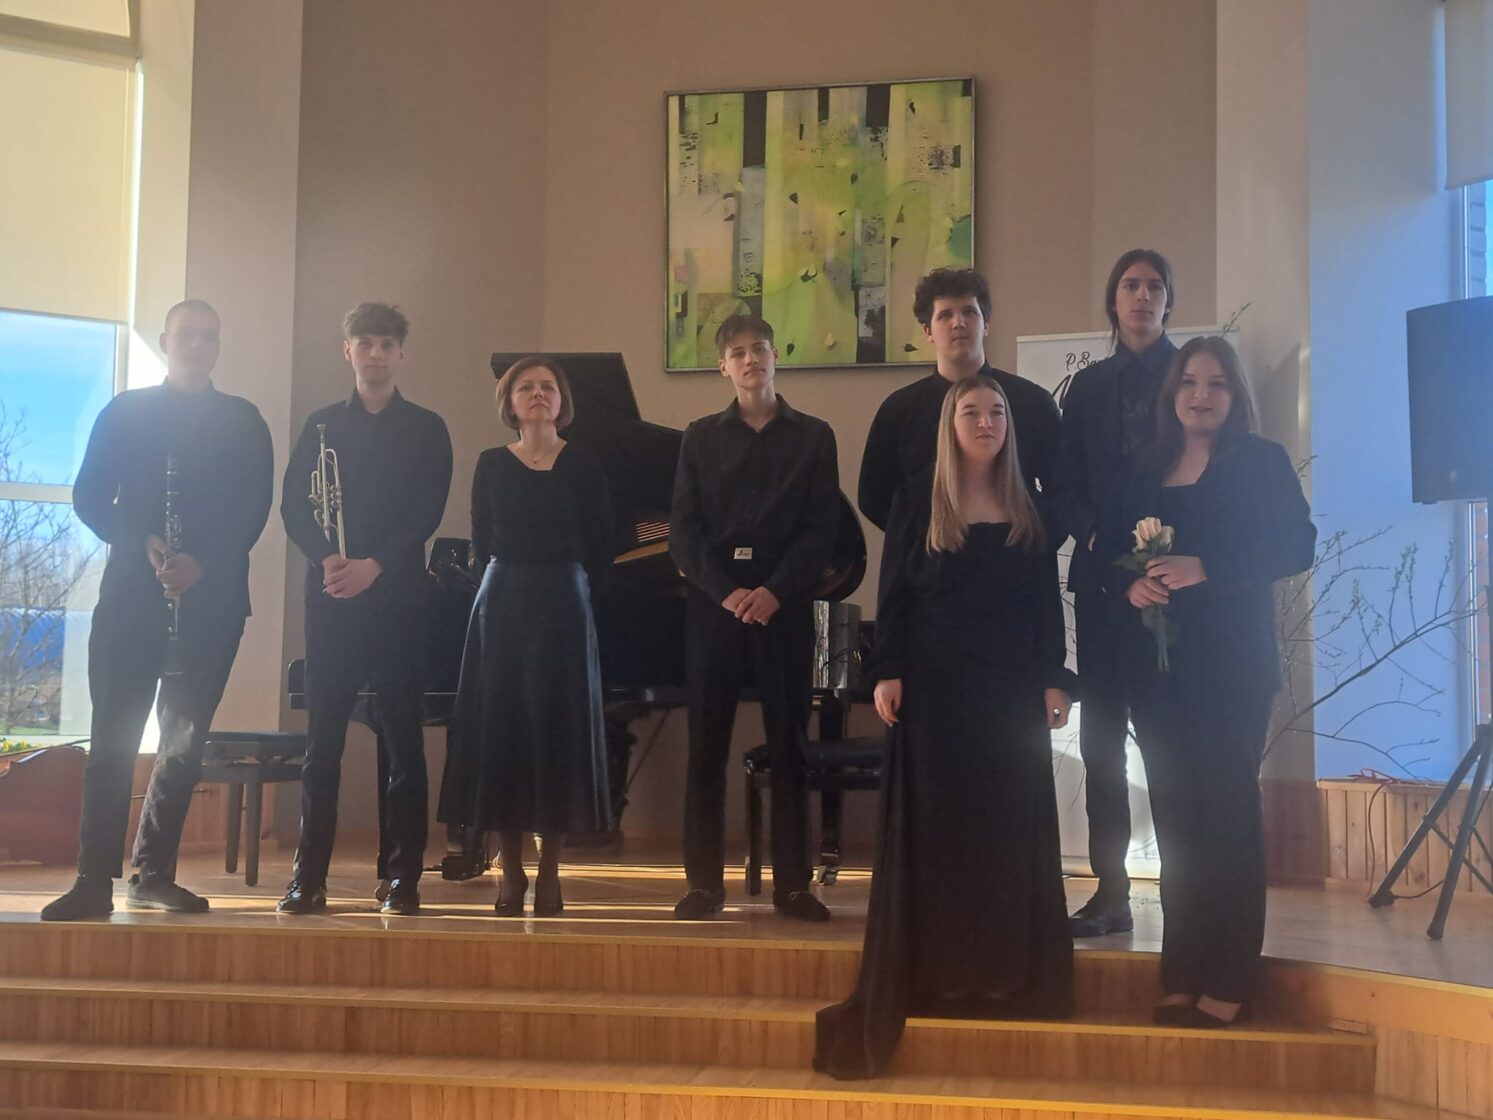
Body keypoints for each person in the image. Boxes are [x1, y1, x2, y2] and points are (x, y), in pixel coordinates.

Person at [816, 375, 1076, 1078]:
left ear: (1008, 425)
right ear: (949, 425)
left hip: (1008, 691)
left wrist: (1054, 676)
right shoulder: (915, 499)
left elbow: (1042, 602)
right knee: (940, 832)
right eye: (971, 411)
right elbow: (894, 594)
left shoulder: (1029, 502)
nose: (985, 421)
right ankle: (941, 974)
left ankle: (1002, 975)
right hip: (934, 689)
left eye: (996, 412)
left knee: (1004, 831)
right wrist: (887, 669)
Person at [1096, 336, 1314, 1027]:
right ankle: (1181, 972)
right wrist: (1130, 586)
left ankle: (1227, 978)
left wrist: (1206, 567)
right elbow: (1106, 553)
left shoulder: (1259, 460)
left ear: (1233, 395)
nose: (1200, 394)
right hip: (1158, 673)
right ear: (1172, 393)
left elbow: (1296, 545)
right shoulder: (1144, 466)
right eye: (1188, 382)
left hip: (1232, 669)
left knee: (1226, 817)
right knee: (1176, 820)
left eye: (1216, 383)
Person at [42, 300, 274, 921]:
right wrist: (141, 538)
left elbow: (254, 508)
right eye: (187, 335)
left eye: (209, 337)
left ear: (218, 346)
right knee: (112, 741)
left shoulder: (244, 420)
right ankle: (93, 879)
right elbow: (89, 496)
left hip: (213, 600)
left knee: (183, 744)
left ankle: (154, 875)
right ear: (167, 342)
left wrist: (205, 563)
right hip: (131, 597)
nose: (198, 345)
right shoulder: (125, 412)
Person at [278, 302, 452, 917]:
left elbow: (427, 511)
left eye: (386, 344)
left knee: (403, 740)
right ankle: (308, 879)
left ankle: (404, 877)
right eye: (365, 343)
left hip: (398, 599)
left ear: (401, 353)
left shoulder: (427, 427)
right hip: (331, 597)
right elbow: (294, 506)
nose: (375, 353)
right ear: (347, 350)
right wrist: (329, 558)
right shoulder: (321, 425)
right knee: (322, 742)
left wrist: (374, 565)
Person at [669, 313, 839, 922]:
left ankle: (793, 886)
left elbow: (822, 529)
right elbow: (683, 533)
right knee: (705, 746)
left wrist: (773, 591)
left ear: (775, 356)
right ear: (723, 366)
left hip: (783, 609)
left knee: (790, 744)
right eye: (737, 352)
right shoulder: (699, 437)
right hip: (714, 608)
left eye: (759, 348)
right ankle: (703, 884)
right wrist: (727, 593)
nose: (749, 359)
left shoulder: (814, 436)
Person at [438, 357, 613, 917]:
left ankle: (551, 872)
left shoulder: (584, 462)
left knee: (558, 733)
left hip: (564, 604)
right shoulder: (492, 463)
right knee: (503, 733)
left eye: (548, 387)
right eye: (527, 387)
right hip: (503, 604)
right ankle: (511, 872)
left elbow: (602, 544)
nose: (538, 394)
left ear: (562, 401)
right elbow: (482, 539)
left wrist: (573, 586)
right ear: (510, 403)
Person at [1052, 248, 1178, 938]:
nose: (1141, 296)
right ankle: (1111, 891)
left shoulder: (1190, 378)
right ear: (1113, 300)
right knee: (1101, 740)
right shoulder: (1088, 387)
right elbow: (1063, 481)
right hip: (1102, 583)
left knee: (1169, 739)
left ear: (1167, 302)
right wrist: (1098, 540)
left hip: (1173, 584)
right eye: (1130, 285)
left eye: (1154, 287)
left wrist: (1167, 557)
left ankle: (1186, 884)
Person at [857, 268, 1059, 531]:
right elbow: (873, 496)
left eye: (969, 312)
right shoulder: (898, 411)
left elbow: (1063, 489)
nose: (958, 323)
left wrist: (1033, 540)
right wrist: (921, 538)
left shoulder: (1033, 402)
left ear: (986, 324)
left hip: (1017, 551)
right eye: (945, 315)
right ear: (928, 331)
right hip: (927, 553)